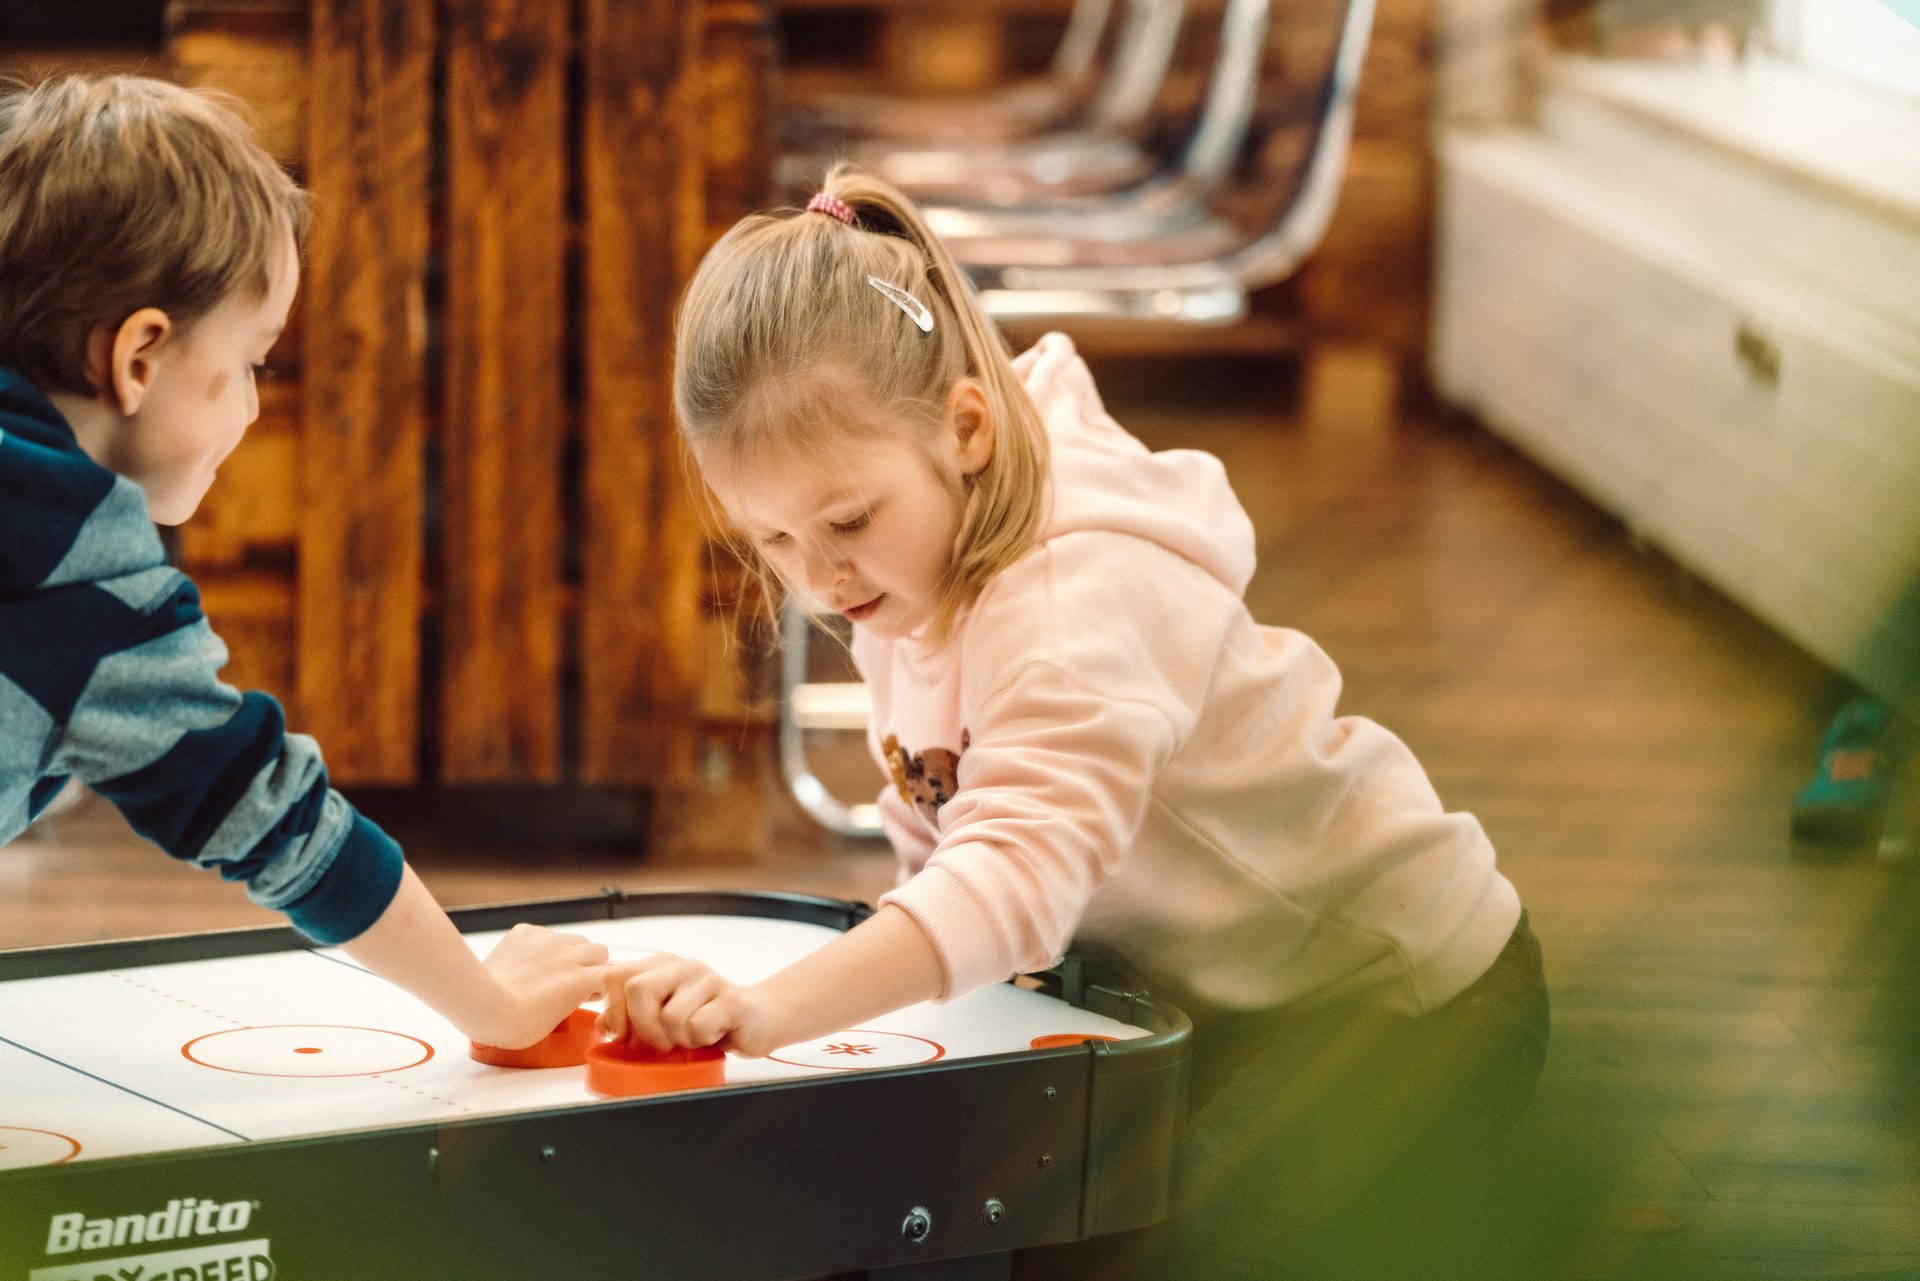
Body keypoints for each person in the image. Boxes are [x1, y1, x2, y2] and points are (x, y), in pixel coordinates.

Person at [600, 167, 1549, 1277]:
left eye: (846, 519)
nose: (817, 577)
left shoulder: (1071, 599)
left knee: (1175, 1251)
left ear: (965, 429)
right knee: (1061, 1233)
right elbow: (951, 834)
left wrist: (767, 1011)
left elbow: (1014, 878)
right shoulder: (902, 567)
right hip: (1189, 985)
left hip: (1401, 999)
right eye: (773, 541)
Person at [0, 74, 606, 1050]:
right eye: (252, 361)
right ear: (139, 359)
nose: (251, 404)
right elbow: (268, 813)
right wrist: (490, 1007)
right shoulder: (80, 578)